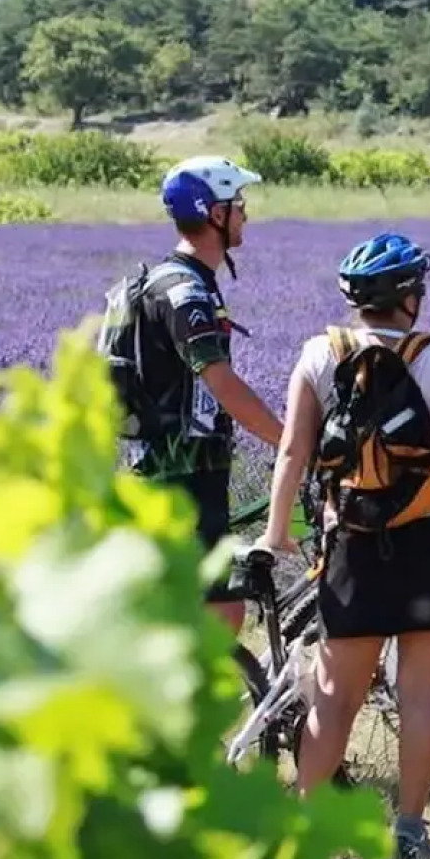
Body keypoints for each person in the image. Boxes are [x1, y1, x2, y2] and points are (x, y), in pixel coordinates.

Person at [256, 231, 430, 859]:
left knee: (334, 699)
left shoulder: (317, 356)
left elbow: (292, 453)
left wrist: (279, 531)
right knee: (422, 697)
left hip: (352, 548)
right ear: (409, 298)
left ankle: (306, 832)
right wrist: (421, 502)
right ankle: (409, 832)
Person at [118, 155, 284, 636]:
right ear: (215, 214)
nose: (246, 212)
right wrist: (291, 443)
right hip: (178, 478)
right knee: (211, 618)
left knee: (220, 614)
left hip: (197, 473)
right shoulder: (183, 291)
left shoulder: (195, 283)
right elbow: (222, 382)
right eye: (239, 203)